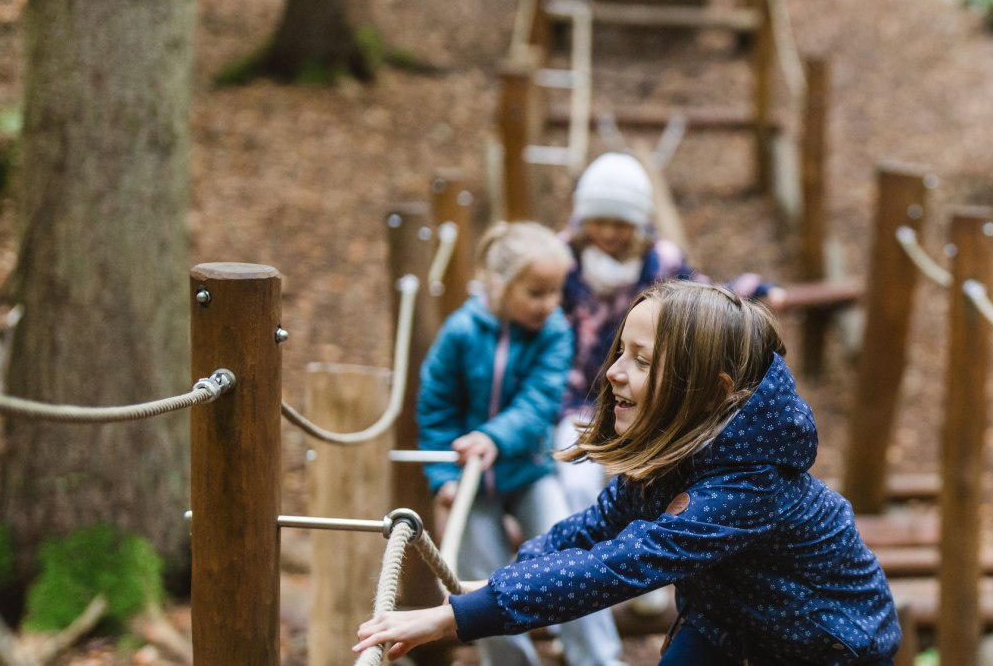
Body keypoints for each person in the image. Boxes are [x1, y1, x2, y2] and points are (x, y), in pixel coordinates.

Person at [358, 281, 899, 665]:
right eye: (622, 352)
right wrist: (502, 583)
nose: (613, 371)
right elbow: (596, 529)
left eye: (642, 360)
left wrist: (459, 618)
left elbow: (615, 566)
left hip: (827, 643)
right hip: (726, 617)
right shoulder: (677, 447)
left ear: (709, 390)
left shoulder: (746, 487)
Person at [414, 221, 625, 666]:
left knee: (572, 568)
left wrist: (493, 438)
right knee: (478, 584)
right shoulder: (460, 333)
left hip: (529, 473)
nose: (550, 304)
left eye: (555, 292)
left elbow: (539, 405)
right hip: (472, 486)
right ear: (499, 284)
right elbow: (436, 409)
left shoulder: (553, 333)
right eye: (536, 292)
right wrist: (443, 478)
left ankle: (598, 658)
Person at [554, 152, 784, 513]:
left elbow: (701, 299)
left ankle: (621, 551)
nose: (610, 233)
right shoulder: (562, 262)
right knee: (578, 479)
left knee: (636, 476)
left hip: (646, 392)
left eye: (621, 223)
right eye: (600, 221)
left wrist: (755, 289)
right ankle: (582, 556)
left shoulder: (660, 261)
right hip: (576, 398)